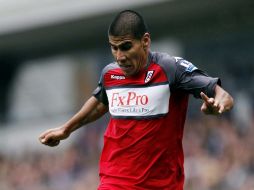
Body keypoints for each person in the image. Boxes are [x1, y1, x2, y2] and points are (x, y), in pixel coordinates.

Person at [39, 10, 234, 190]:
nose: (119, 56)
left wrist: (217, 106)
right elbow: (100, 101)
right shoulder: (110, 74)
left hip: (162, 184)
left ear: (145, 41)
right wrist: (67, 129)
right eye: (114, 48)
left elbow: (222, 95)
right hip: (115, 180)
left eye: (125, 47)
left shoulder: (171, 69)